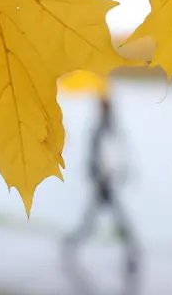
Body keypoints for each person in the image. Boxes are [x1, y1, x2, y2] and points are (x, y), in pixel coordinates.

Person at [63, 93, 140, 295]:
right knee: (110, 219)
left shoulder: (109, 128)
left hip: (107, 183)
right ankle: (131, 252)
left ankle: (72, 244)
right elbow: (97, 157)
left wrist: (121, 174)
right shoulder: (101, 129)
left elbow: (117, 154)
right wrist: (99, 179)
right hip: (103, 184)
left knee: (98, 219)